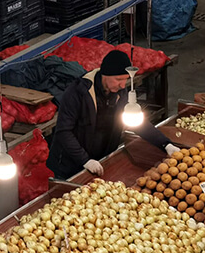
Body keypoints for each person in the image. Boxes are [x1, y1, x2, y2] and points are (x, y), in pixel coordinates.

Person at [47, 50, 180, 180]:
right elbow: (64, 132)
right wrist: (85, 160)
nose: (122, 85)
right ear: (105, 75)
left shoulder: (119, 93)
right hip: (70, 165)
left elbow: (137, 123)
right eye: (118, 79)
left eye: (125, 80)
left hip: (100, 160)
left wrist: (165, 144)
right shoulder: (78, 92)